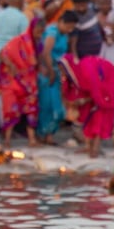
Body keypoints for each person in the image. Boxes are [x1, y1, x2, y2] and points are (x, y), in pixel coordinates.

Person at [0, 18, 44, 148]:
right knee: (10, 109)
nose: (39, 35)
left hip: (30, 81)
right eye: (37, 32)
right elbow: (3, 53)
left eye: (41, 32)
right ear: (31, 29)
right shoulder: (19, 40)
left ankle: (32, 140)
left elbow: (38, 61)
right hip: (13, 79)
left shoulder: (39, 43)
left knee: (32, 109)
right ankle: (7, 140)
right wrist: (11, 65)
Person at [60, 54, 114, 158]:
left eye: (62, 69)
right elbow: (68, 93)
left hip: (105, 78)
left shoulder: (86, 70)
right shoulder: (72, 76)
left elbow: (98, 94)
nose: (62, 72)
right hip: (93, 86)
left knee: (99, 112)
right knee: (86, 112)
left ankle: (95, 146)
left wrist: (85, 100)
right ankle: (87, 145)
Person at [35, 11, 78, 143]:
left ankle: (50, 135)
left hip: (58, 71)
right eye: (68, 26)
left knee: (57, 106)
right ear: (61, 22)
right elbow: (45, 52)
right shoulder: (52, 32)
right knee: (47, 105)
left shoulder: (64, 34)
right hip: (47, 72)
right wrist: (50, 70)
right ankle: (42, 135)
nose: (70, 29)